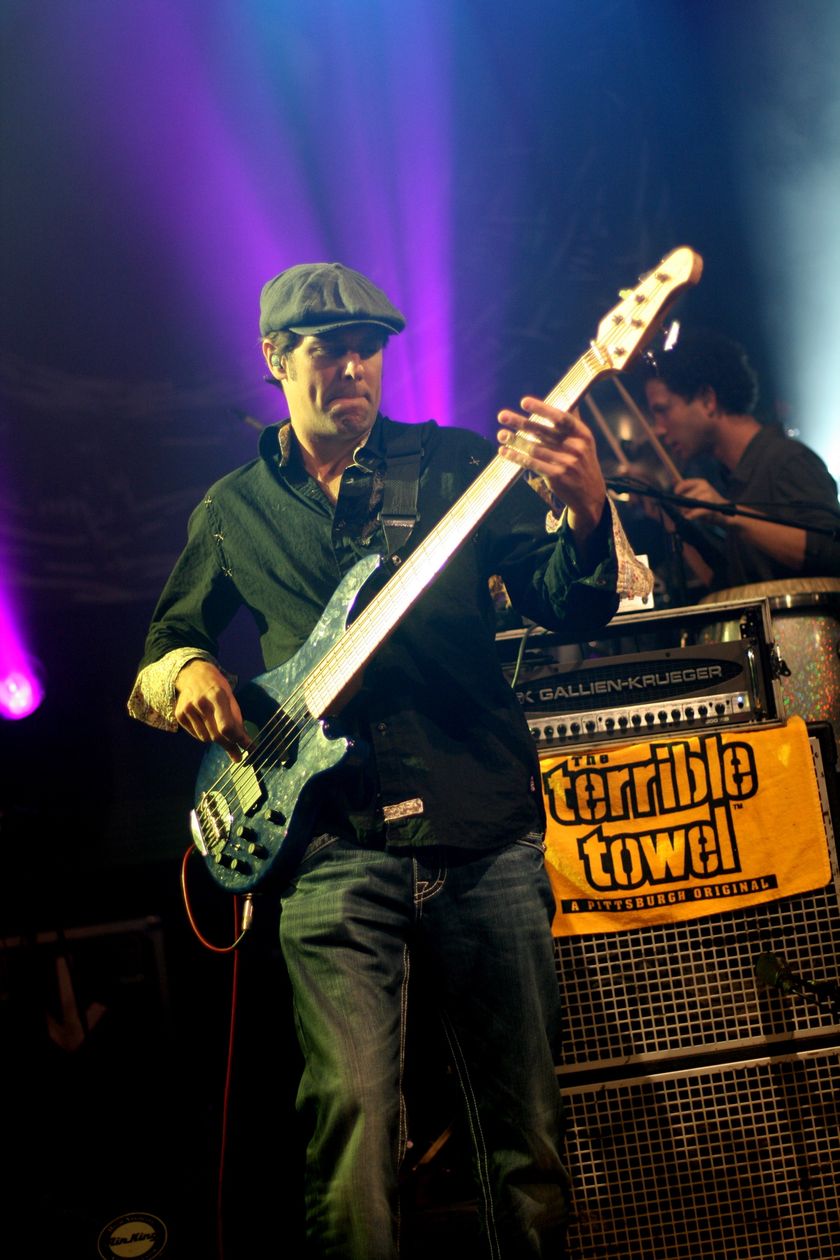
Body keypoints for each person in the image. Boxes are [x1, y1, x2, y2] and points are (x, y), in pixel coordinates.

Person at [128, 261, 650, 1258]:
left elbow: (569, 604)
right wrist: (186, 668)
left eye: (368, 349)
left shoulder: (456, 467)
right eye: (330, 351)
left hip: (481, 833)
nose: (354, 369)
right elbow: (159, 651)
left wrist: (587, 509)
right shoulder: (235, 508)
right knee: (354, 1129)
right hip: (329, 848)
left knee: (526, 1132)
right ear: (275, 358)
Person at [642, 329, 840, 591]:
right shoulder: (733, 476)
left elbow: (832, 553)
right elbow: (730, 588)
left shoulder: (787, 460)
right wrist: (669, 517)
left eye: (663, 410)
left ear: (707, 399)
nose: (658, 429)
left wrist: (729, 514)